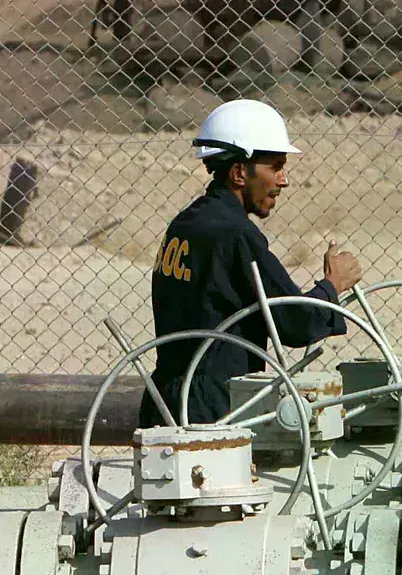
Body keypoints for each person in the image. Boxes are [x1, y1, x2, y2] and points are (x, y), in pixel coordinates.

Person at [139, 98, 360, 427]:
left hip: (164, 399)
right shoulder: (235, 234)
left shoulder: (186, 223)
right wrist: (332, 285)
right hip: (216, 408)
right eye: (275, 167)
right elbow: (293, 321)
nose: (283, 180)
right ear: (240, 172)